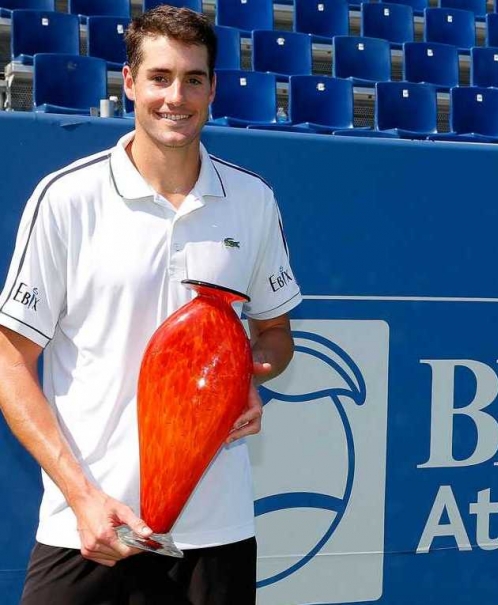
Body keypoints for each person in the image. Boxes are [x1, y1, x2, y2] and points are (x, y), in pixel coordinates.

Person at [0, 6, 301, 603]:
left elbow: (275, 334)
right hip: (91, 526)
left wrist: (245, 373)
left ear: (214, 89)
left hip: (217, 530)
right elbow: (10, 363)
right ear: (130, 82)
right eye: (160, 77)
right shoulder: (66, 198)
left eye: (193, 79)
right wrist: (82, 496)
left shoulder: (252, 199)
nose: (176, 97)